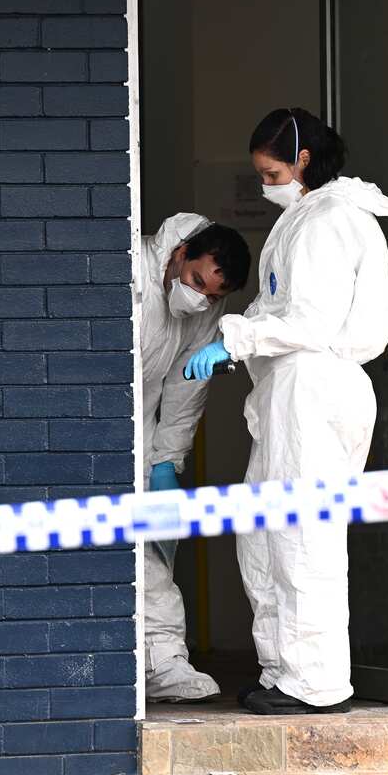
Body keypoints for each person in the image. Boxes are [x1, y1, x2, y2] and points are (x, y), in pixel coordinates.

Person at [184, 108, 388, 715]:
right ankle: (283, 672)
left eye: (271, 170)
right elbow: (277, 307)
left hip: (314, 389)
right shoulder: (304, 217)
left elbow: (310, 321)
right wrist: (238, 336)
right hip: (292, 392)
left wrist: (237, 340)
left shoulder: (330, 220)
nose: (264, 182)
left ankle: (317, 684)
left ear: (303, 161)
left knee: (303, 538)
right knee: (265, 537)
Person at [140, 213, 250, 702]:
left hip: (141, 429)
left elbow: (186, 388)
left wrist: (166, 461)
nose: (198, 297)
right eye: (194, 281)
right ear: (180, 253)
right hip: (84, 425)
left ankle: (163, 664)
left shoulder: (202, 311)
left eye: (211, 294)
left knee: (153, 551)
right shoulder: (130, 269)